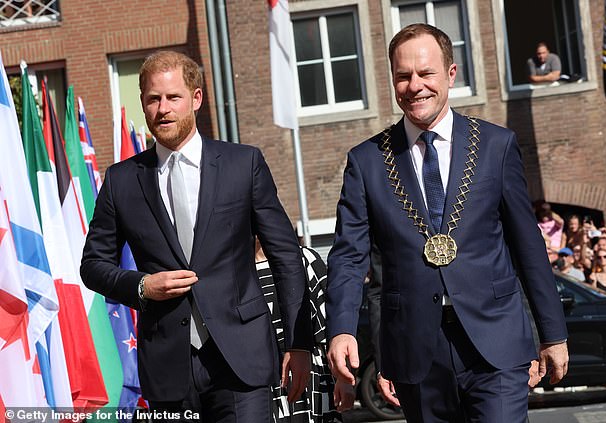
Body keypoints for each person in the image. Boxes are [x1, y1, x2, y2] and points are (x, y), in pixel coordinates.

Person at [326, 23, 568, 423]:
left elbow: (527, 245)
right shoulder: (366, 162)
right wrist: (342, 330)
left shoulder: (496, 146)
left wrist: (553, 333)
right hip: (417, 348)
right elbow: (349, 256)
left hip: (497, 341)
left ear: (451, 75)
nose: (414, 85)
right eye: (403, 76)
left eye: (426, 73)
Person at [80, 50, 312, 422]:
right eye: (154, 99)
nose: (163, 109)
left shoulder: (243, 164)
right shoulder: (121, 181)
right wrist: (142, 286)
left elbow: (285, 255)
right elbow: (92, 265)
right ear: (142, 103)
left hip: (242, 361)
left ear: (196, 98)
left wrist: (299, 344)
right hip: (167, 367)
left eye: (173, 97)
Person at [254, 239, 354, 422]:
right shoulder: (233, 271)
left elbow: (331, 327)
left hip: (313, 379)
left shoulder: (304, 259)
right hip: (261, 386)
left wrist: (343, 378)